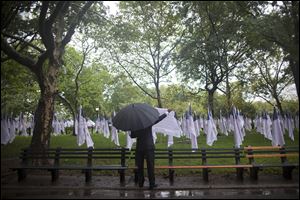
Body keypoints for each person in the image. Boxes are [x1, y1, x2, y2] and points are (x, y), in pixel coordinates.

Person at [130, 112, 168, 190]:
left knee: (139, 166)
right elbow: (158, 119)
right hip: (149, 147)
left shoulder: (135, 124)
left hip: (139, 147)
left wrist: (132, 130)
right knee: (150, 166)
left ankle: (141, 183)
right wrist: (166, 113)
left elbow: (132, 135)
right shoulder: (148, 121)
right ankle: (152, 184)